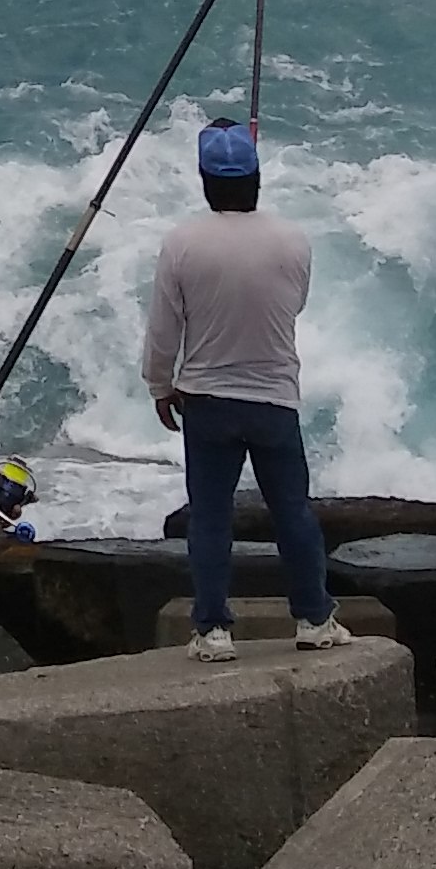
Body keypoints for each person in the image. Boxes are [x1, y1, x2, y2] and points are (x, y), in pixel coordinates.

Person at [147, 118, 351, 663]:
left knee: (210, 517)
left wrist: (159, 385)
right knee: (293, 513)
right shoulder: (293, 240)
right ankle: (313, 618)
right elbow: (295, 303)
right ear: (256, 177)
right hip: (274, 399)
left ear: (204, 179)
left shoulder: (181, 243)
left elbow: (164, 330)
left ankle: (213, 631)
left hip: (206, 401)